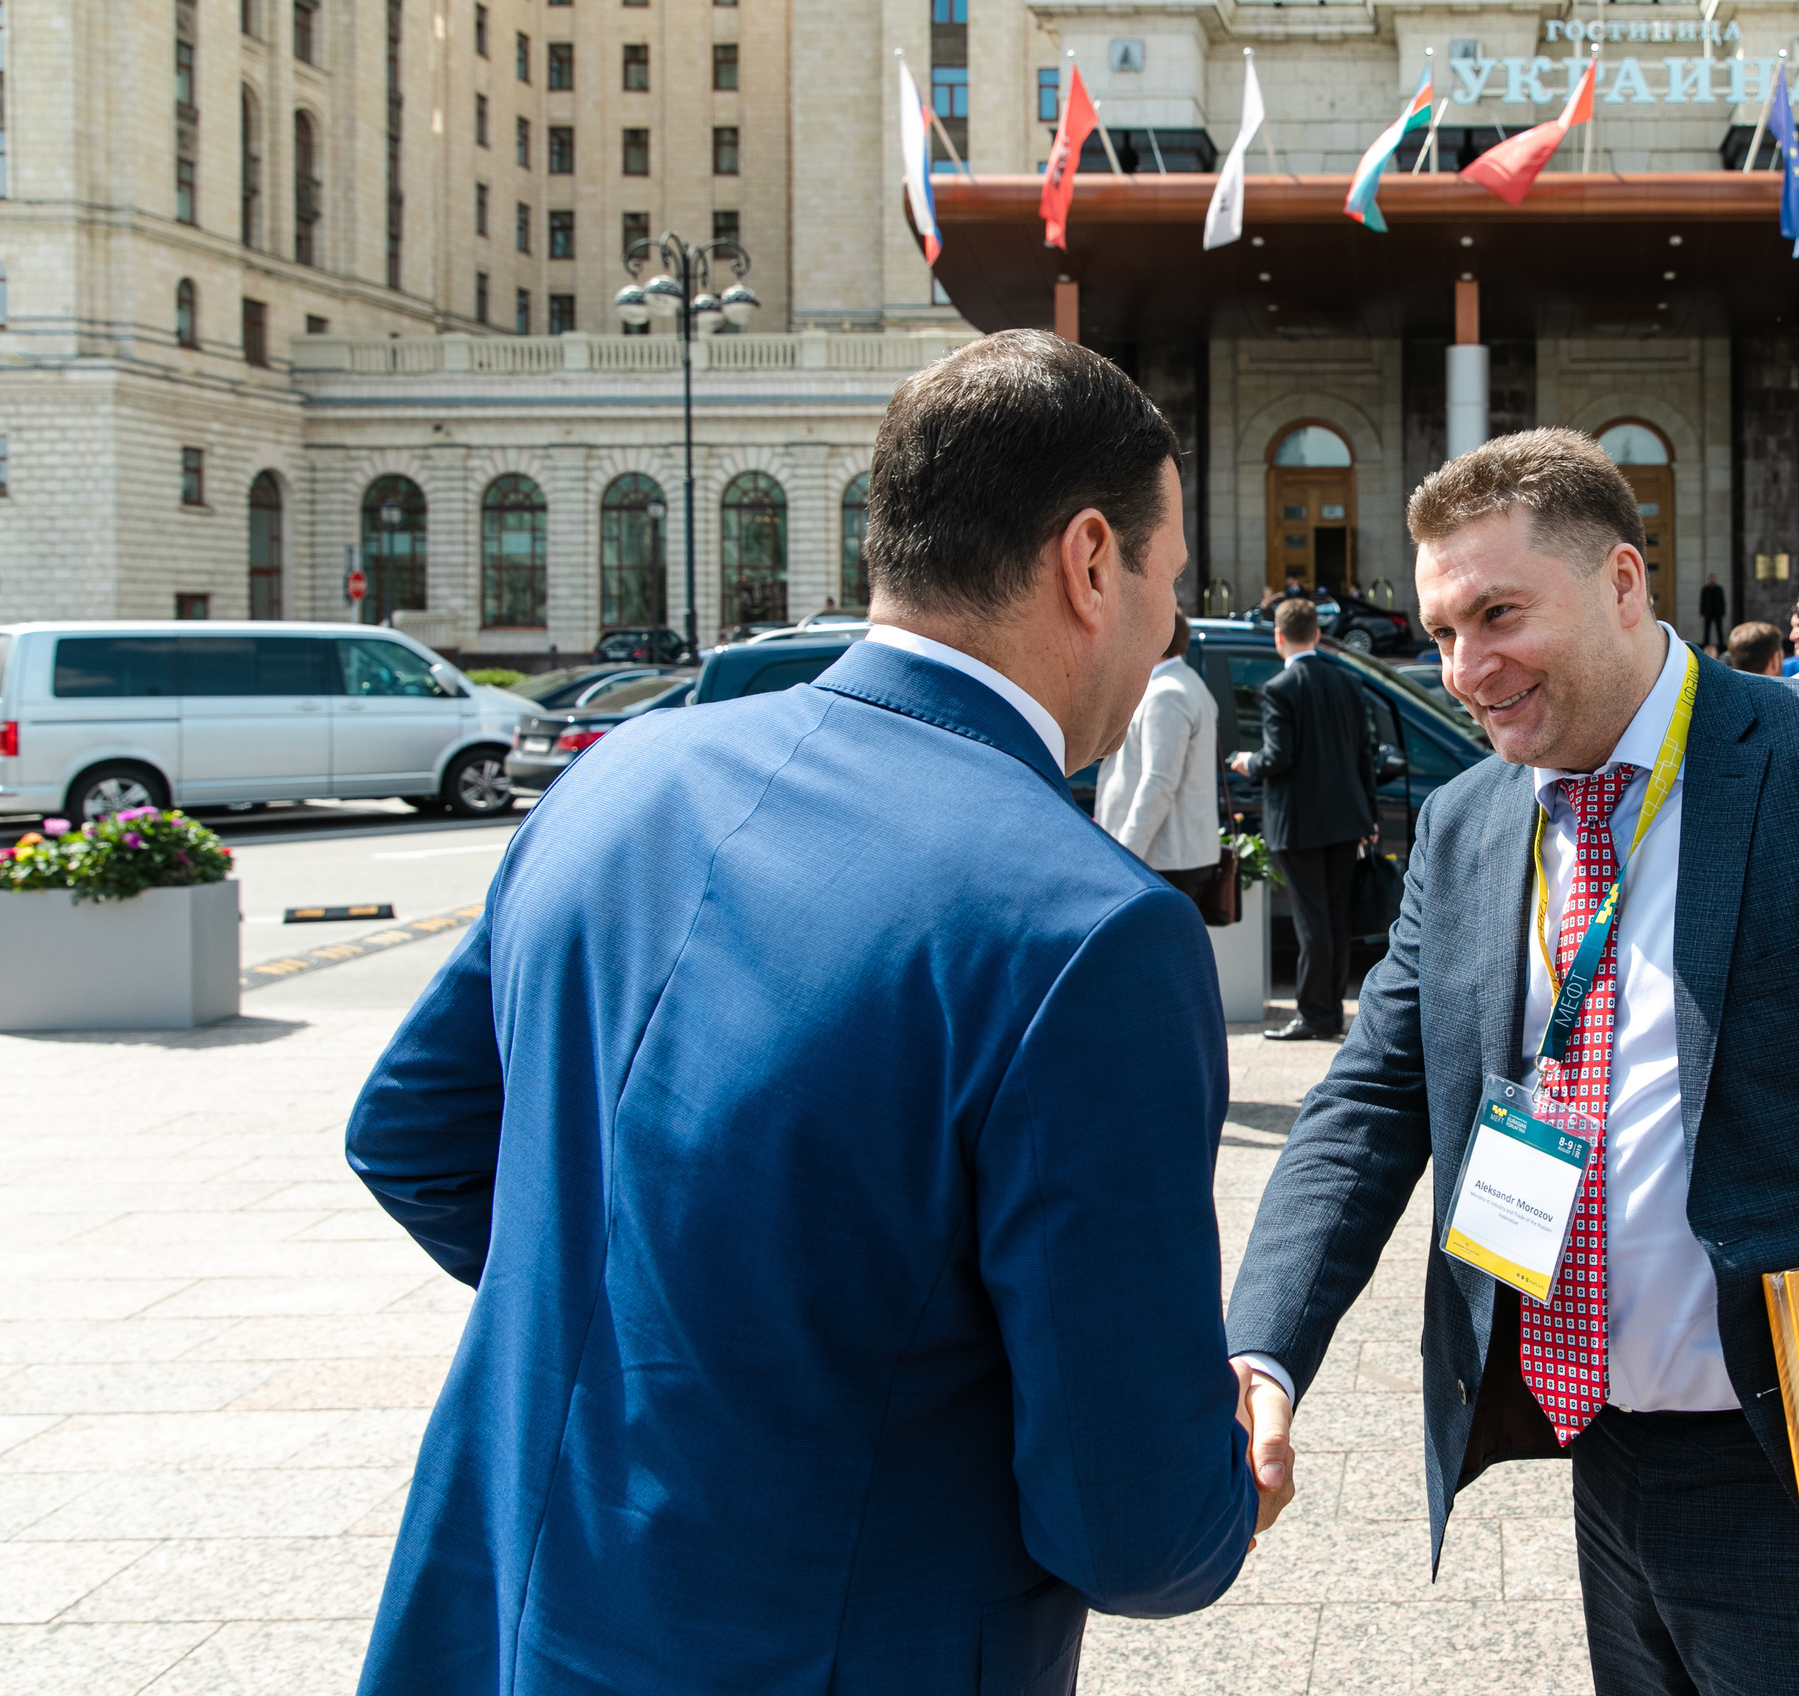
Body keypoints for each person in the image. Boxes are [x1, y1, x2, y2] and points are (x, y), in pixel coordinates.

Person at [343, 332, 1263, 1695]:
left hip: (504, 1623)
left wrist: (674, 1329)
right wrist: (1227, 1477)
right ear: (1087, 562)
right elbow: (1133, 1531)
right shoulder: (1092, 929)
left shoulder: (620, 777)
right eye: (1169, 578)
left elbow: (412, 1135)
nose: (1168, 626)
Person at [1225, 429, 1799, 1696]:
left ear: (1624, 582)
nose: (1466, 668)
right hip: (1599, 1457)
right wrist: (1261, 1348)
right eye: (1439, 631)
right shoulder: (1469, 818)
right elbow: (1370, 1097)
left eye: (1497, 614)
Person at [1229, 596, 1378, 1041]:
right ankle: (1328, 1011)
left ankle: (1315, 1015)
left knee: (1312, 922)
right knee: (1334, 919)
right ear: (1316, 633)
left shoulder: (1279, 689)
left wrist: (1245, 763)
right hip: (1345, 819)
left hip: (1297, 824)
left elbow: (1277, 757)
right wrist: (1368, 813)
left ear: (1279, 637)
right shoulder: (1347, 682)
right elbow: (1362, 756)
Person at [1097, 609, 1224, 919]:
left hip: (1164, 857)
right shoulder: (1184, 683)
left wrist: (1125, 855)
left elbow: (1158, 782)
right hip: (1170, 856)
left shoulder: (1166, 693)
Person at [1697, 576, 1727, 650]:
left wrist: (1723, 613)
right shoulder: (1705, 589)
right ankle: (1706, 645)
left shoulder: (1719, 589)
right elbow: (1702, 601)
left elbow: (1722, 601)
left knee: (1719, 630)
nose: (1712, 580)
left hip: (1717, 612)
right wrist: (1702, 612)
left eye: (1713, 578)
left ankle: (1721, 646)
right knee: (1707, 630)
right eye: (1711, 579)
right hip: (1708, 613)